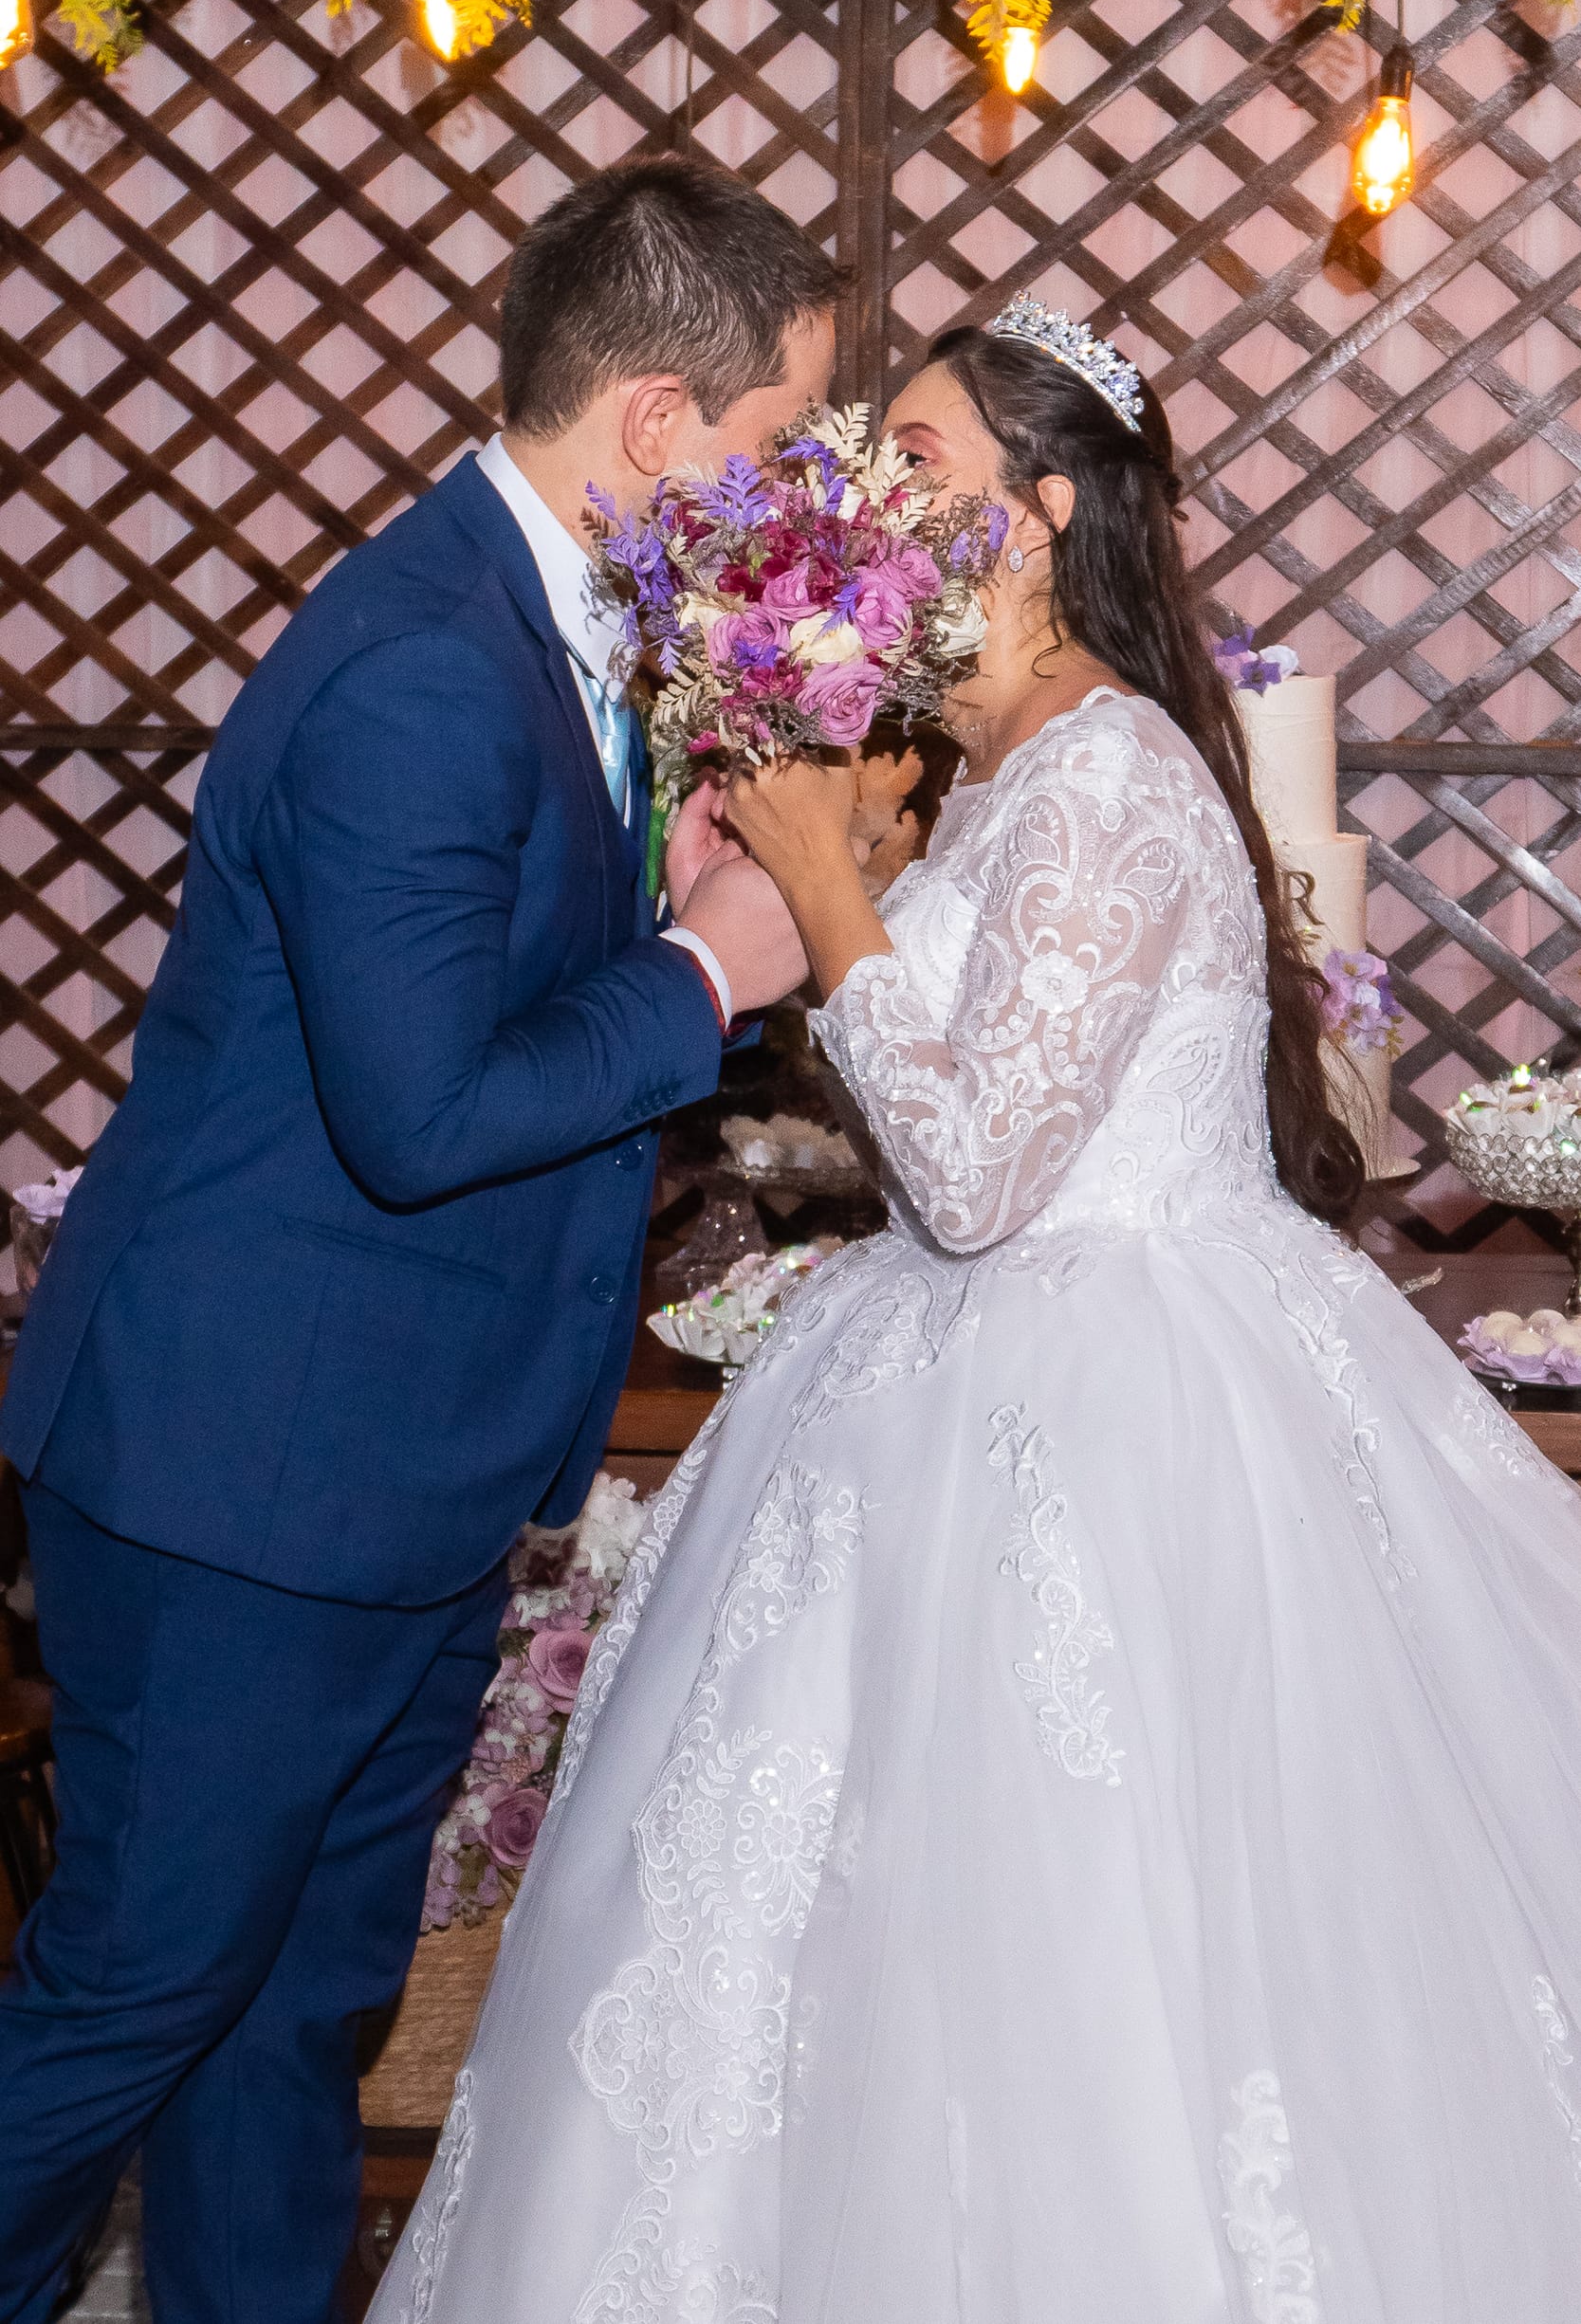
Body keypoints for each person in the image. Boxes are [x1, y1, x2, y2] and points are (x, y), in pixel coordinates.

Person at [371, 298, 1581, 2323]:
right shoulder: (993, 763)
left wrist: (828, 877)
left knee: (1097, 1957)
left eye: (912, 459)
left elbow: (979, 1172)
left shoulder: (1112, 771)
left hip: (1114, 1415)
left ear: (1037, 514)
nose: (867, 491)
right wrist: (818, 853)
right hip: (932, 1374)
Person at [0, 156, 836, 2324]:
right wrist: (710, 965)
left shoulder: (552, 631)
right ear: (657, 418)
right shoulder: (426, 666)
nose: (783, 499)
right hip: (246, 1467)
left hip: (387, 1463)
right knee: (138, 1989)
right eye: (772, 444)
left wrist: (679, 909)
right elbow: (425, 1112)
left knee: (289, 2010)